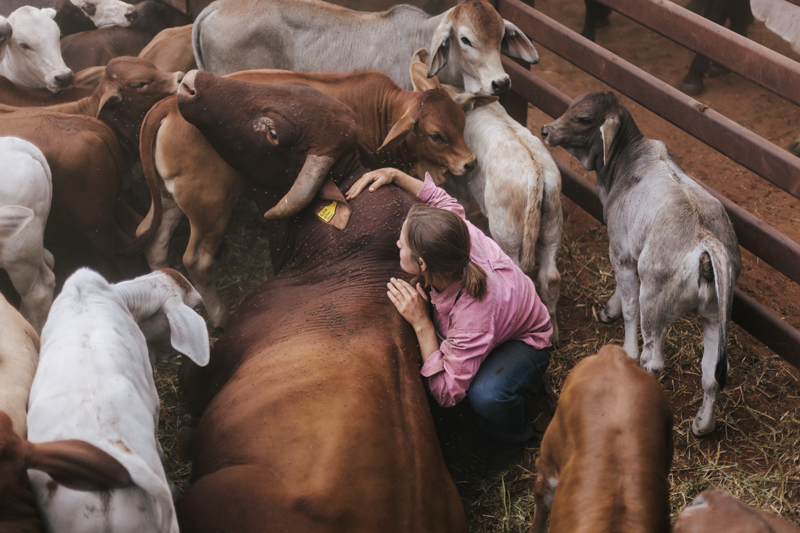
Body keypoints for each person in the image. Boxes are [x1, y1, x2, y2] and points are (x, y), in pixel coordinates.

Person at [346, 167, 553, 479]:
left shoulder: (472, 316)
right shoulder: (454, 233)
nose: (397, 244)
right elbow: (438, 198)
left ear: (422, 263)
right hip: (498, 323)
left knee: (487, 394)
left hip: (527, 341)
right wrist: (395, 175)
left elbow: (446, 392)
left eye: (403, 243)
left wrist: (422, 325)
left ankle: (512, 440)